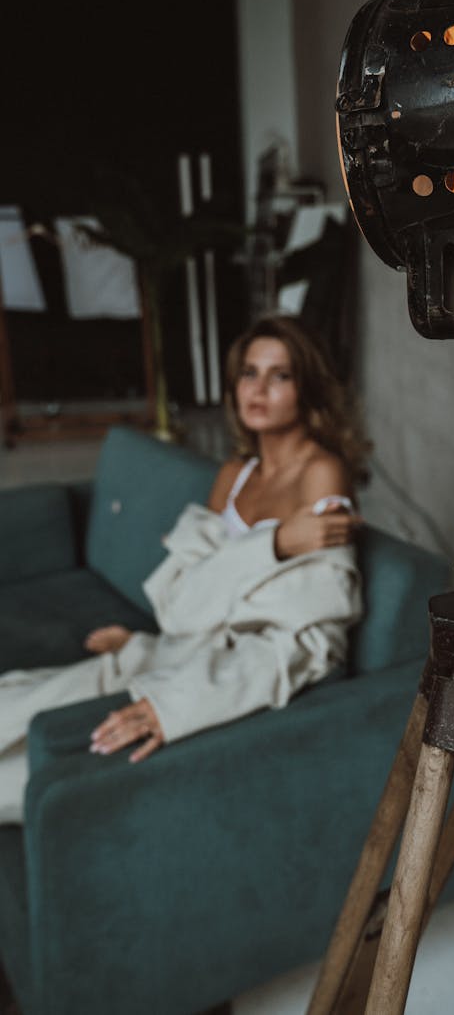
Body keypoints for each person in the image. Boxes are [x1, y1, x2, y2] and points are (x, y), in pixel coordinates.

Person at [0, 315, 368, 824]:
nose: (257, 388)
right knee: (16, 702)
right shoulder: (234, 476)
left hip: (209, 672)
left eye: (279, 375)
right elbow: (178, 603)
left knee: (18, 774)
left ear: (307, 387)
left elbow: (313, 636)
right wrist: (275, 546)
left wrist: (181, 697)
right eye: (248, 373)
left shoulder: (323, 473)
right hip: (171, 647)